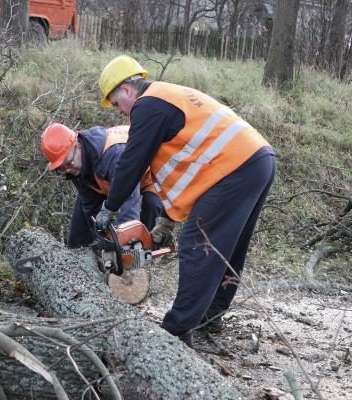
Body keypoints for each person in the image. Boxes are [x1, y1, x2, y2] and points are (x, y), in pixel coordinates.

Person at [94, 55, 276, 346]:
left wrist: (110, 207)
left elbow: (131, 162)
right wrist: (165, 221)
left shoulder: (147, 105)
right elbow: (187, 167)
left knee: (197, 245)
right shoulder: (165, 100)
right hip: (257, 160)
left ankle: (177, 329)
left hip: (234, 168)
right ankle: (211, 316)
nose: (118, 112)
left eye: (116, 104)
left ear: (127, 90)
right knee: (228, 247)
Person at [40, 123, 162, 248]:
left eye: (69, 163)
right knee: (81, 224)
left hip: (153, 172)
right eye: (62, 168)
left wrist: (126, 244)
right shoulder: (78, 165)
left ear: (78, 145)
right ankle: (78, 259)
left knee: (151, 205)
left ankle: (145, 253)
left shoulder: (113, 155)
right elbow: (91, 208)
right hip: (114, 182)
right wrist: (103, 240)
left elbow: (128, 205)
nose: (68, 170)